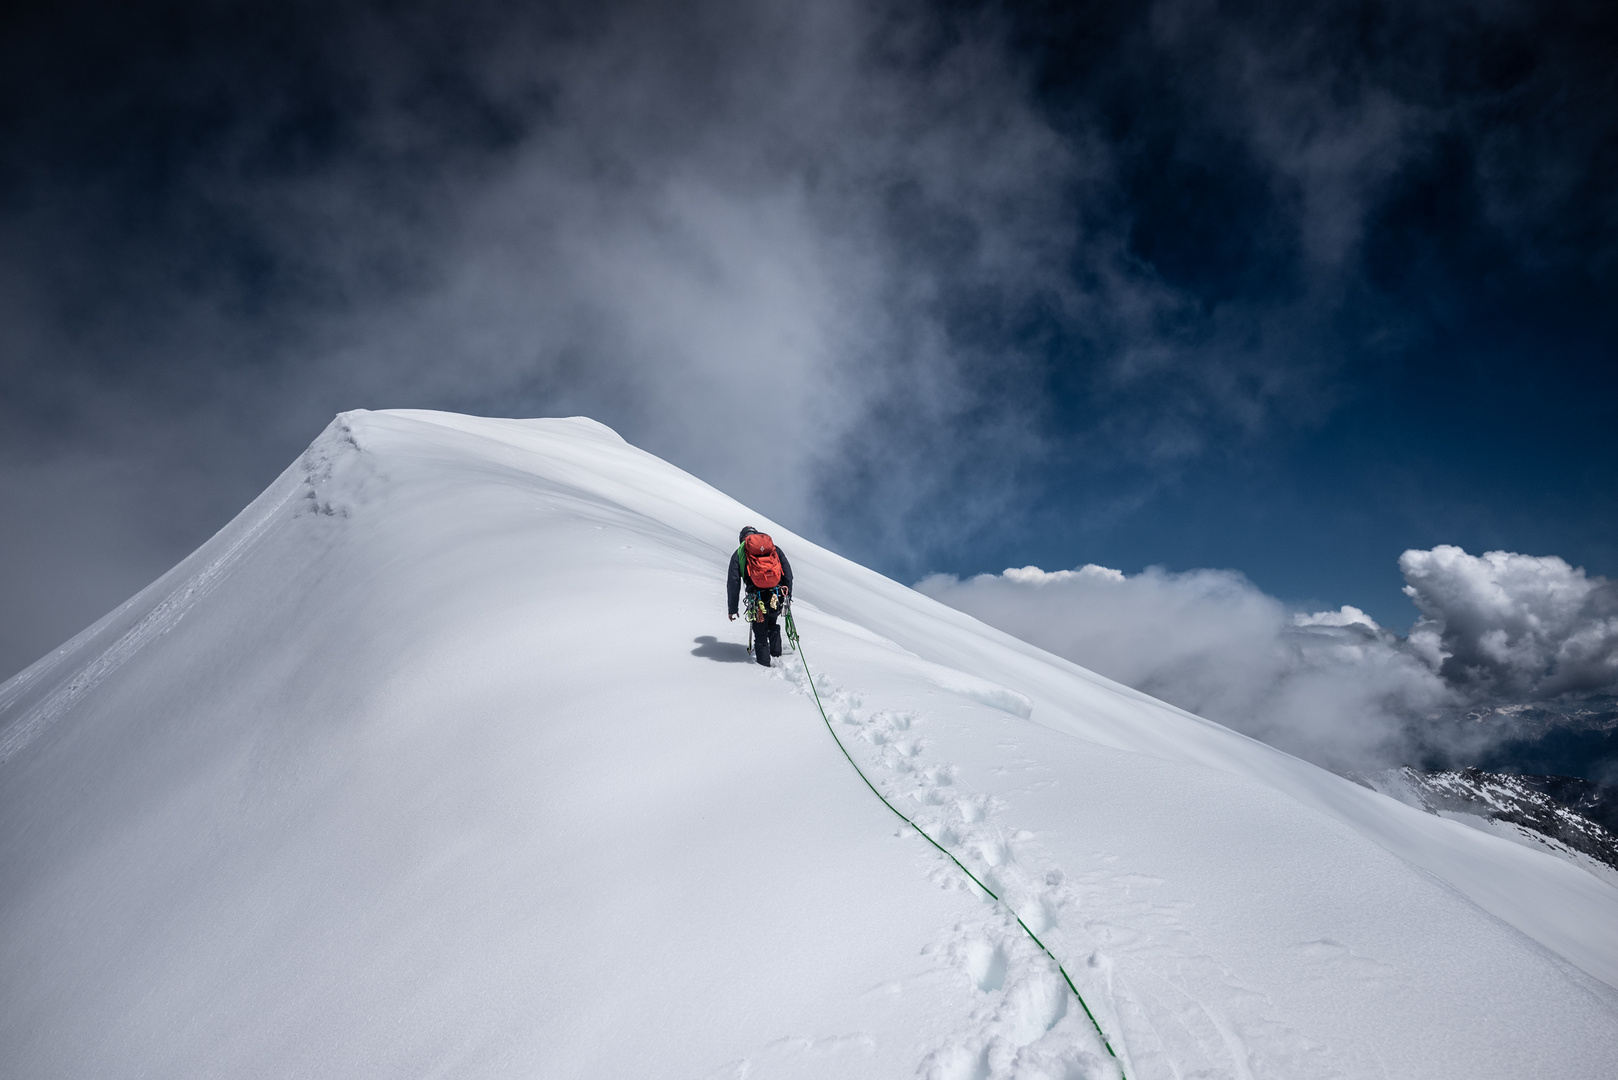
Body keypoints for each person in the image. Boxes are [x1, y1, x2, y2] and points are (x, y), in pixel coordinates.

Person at [727, 525, 793, 666]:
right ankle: (777, 657)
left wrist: (732, 609)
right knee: (772, 624)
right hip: (777, 594)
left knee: (760, 631)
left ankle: (765, 668)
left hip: (756, 598)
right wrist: (788, 596)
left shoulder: (739, 553)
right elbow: (788, 573)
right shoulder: (773, 548)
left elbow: (733, 582)